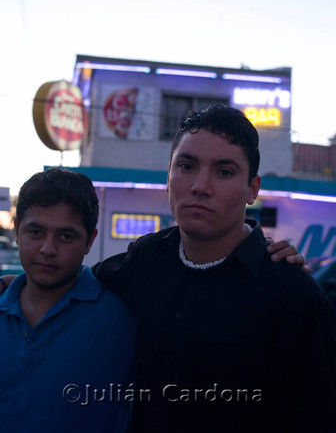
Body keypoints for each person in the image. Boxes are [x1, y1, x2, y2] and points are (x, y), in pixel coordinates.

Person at [92, 105, 336, 433]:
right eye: (187, 166)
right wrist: (13, 286)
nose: (200, 186)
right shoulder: (145, 259)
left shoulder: (293, 295)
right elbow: (71, 287)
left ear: (252, 188)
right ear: (168, 176)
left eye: (224, 172)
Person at [0, 168, 136, 433]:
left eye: (66, 236)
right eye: (35, 232)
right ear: (17, 231)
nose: (47, 249)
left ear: (90, 241)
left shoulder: (121, 319)